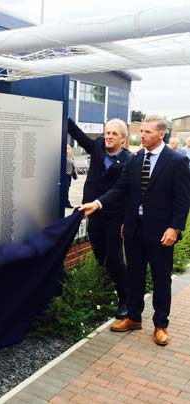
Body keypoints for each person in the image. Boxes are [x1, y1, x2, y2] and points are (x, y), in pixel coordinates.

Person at [80, 115, 190, 346]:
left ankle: (161, 325)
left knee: (161, 279)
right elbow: (121, 189)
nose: (142, 136)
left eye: (148, 132)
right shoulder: (136, 158)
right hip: (133, 230)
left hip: (161, 233)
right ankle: (133, 317)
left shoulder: (176, 161)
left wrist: (175, 228)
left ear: (161, 134)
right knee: (134, 276)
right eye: (141, 132)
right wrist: (98, 203)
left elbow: (182, 199)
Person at [68, 117, 132, 318]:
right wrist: (63, 111)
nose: (109, 137)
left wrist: (124, 220)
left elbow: (122, 191)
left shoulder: (130, 161)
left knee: (114, 257)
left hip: (114, 215)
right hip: (93, 213)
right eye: (107, 133)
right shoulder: (97, 147)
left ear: (123, 138)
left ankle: (125, 299)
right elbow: (77, 133)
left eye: (114, 134)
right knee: (99, 254)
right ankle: (105, 290)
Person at [64, 144, 77, 208]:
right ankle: (66, 202)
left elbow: (73, 166)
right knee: (65, 189)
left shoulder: (71, 156)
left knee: (67, 189)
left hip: (69, 176)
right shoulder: (62, 156)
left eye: (69, 148)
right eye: (66, 148)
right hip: (64, 175)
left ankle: (65, 202)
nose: (67, 150)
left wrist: (75, 175)